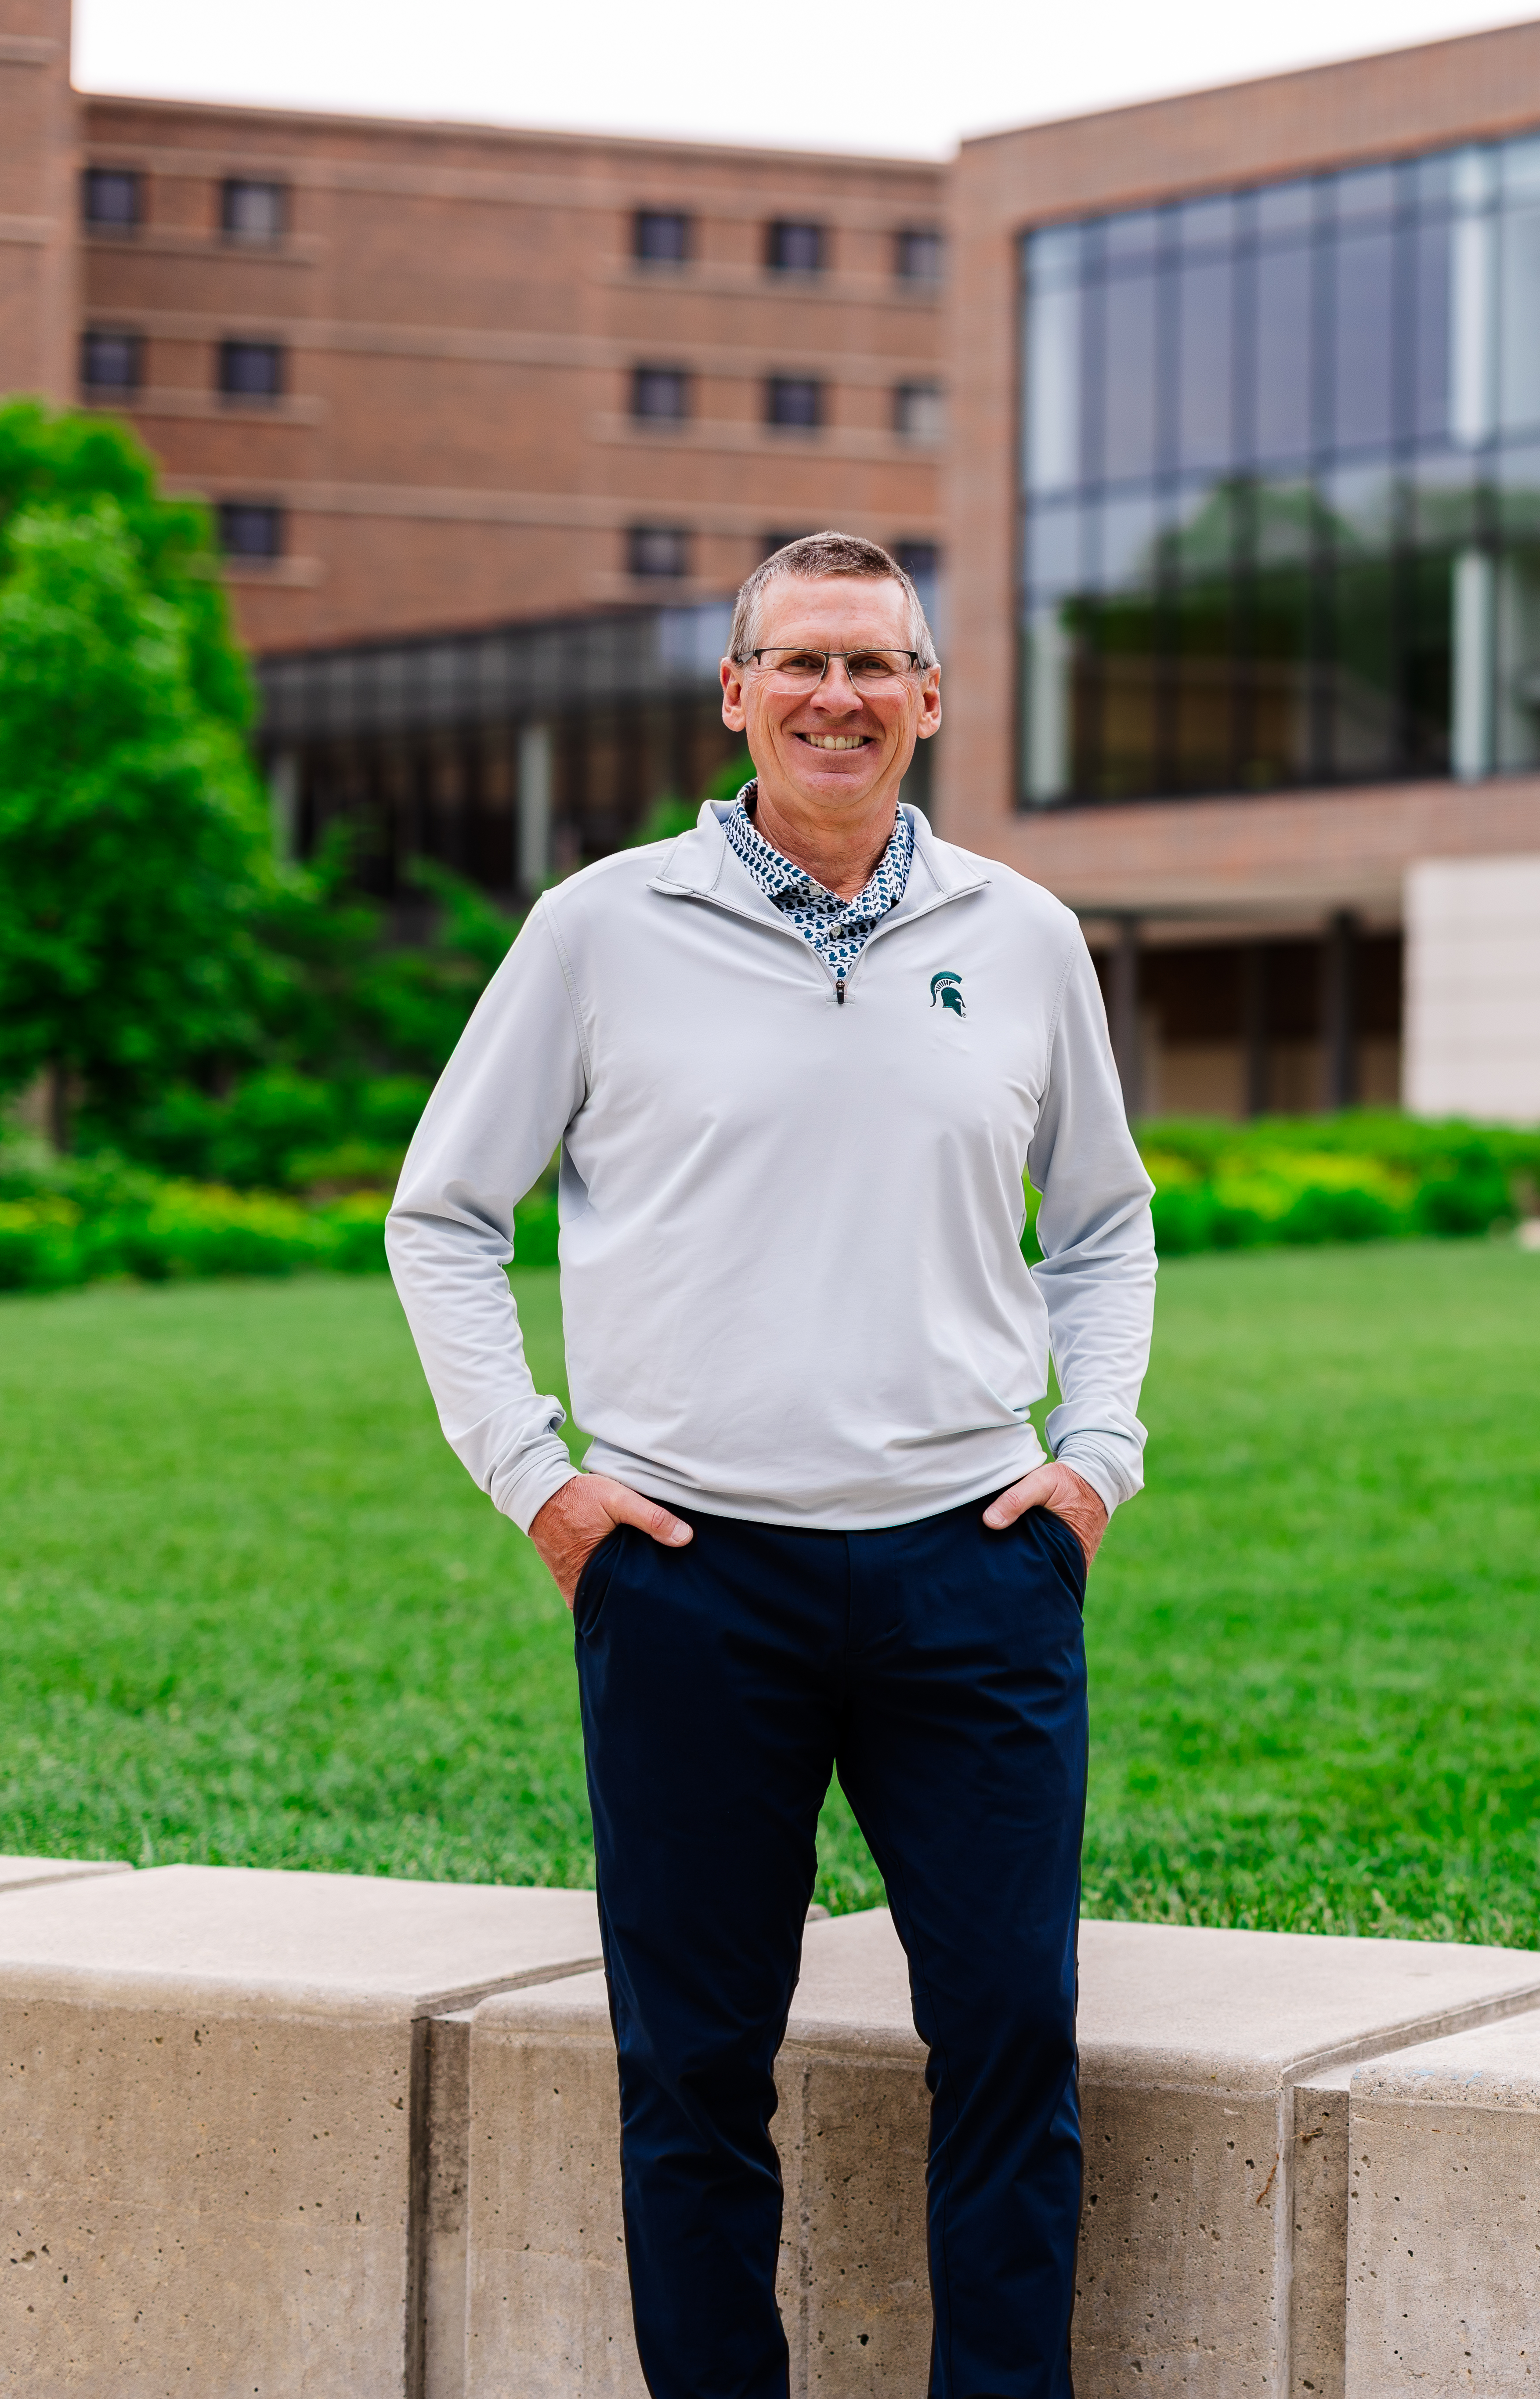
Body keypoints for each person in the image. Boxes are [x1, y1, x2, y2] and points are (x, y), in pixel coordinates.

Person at [387, 531, 1154, 2399]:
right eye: (799, 662)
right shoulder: (597, 929)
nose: (837, 696)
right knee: (695, 2070)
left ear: (931, 699)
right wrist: (541, 1484)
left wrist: (1094, 1460)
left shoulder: (1021, 937)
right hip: (685, 1575)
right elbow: (442, 1215)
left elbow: (1108, 1224)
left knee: (1006, 2046)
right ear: (733, 693)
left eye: (874, 666)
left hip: (972, 1566)